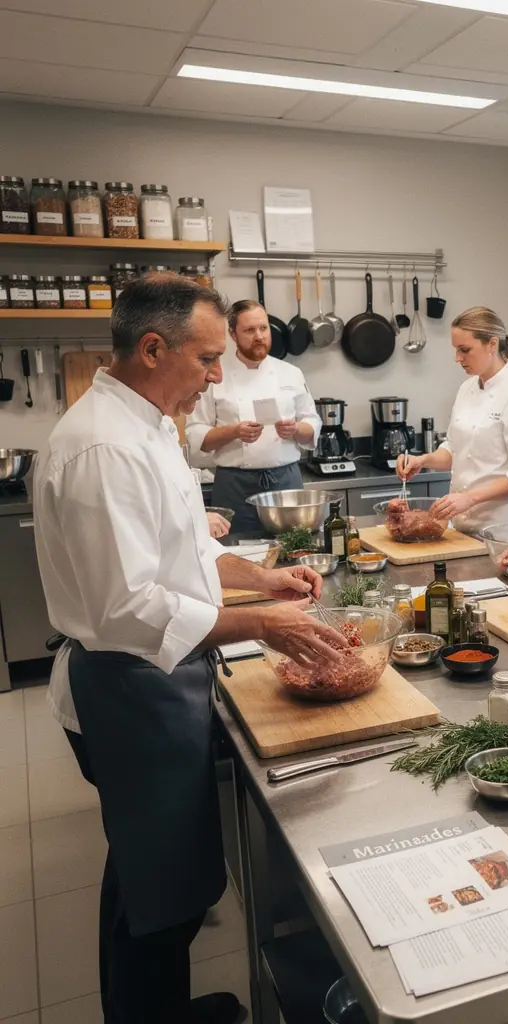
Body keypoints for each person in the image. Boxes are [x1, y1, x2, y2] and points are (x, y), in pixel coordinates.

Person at [34, 274, 346, 1024]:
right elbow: (131, 607)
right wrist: (266, 627)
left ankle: (163, 1008)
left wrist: (263, 581)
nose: (217, 375)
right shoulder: (104, 448)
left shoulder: (147, 426)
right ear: (151, 349)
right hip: (128, 686)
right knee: (153, 894)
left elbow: (187, 559)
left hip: (160, 678)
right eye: (207, 359)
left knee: (155, 878)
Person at [396, 306, 508, 535]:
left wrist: (469, 498)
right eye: (456, 350)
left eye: (465, 350)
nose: (458, 358)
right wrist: (423, 460)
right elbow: (455, 449)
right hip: (464, 525)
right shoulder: (467, 389)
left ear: (492, 344)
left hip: (507, 529)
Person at [186, 298, 321, 535]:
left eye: (263, 328)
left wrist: (296, 429)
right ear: (233, 335)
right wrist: (234, 431)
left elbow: (312, 422)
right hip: (235, 486)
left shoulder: (290, 373)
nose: (259, 336)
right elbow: (196, 435)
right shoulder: (216, 375)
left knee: (294, 549)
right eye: (249, 330)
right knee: (238, 552)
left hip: (286, 482)